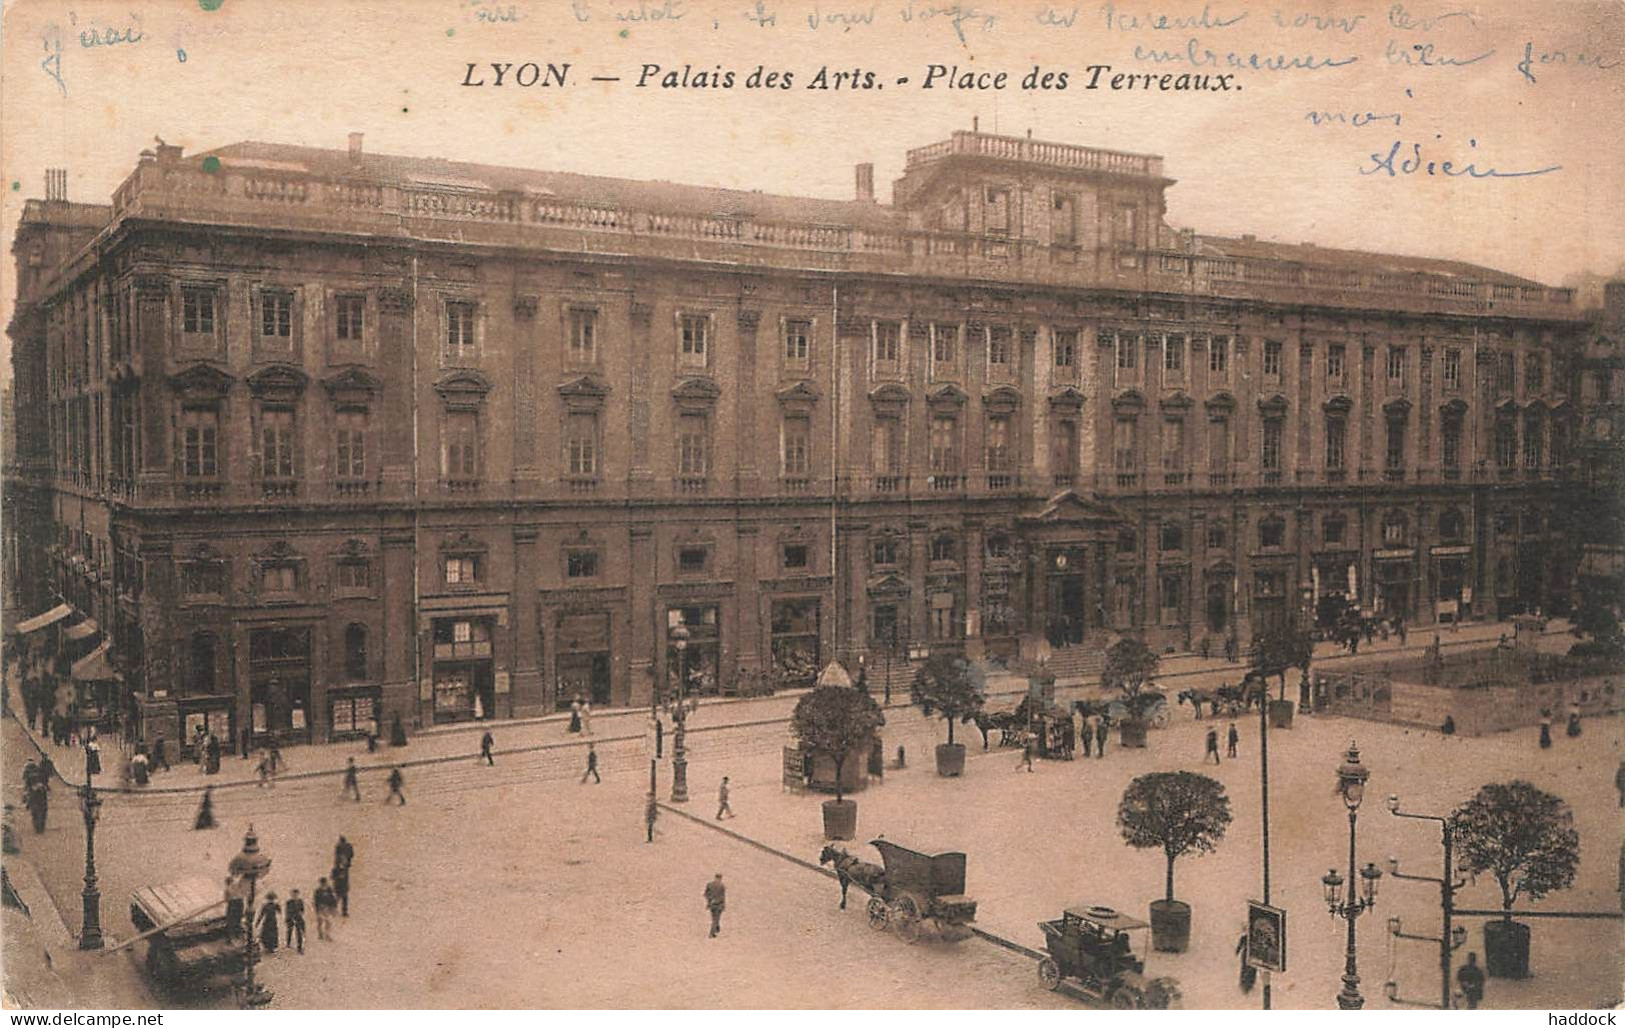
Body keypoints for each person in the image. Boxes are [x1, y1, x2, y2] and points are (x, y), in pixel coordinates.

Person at [224, 875, 249, 940]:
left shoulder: (227, 888)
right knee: (238, 917)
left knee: (231, 919)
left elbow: (226, 899)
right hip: (240, 902)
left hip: (232, 903)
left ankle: (231, 935)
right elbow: (243, 893)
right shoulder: (237, 886)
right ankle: (238, 933)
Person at [284, 888, 307, 954]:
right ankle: (288, 943)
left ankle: (299, 948)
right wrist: (288, 918)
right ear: (291, 895)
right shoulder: (289, 902)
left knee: (299, 932)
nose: (294, 896)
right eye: (293, 894)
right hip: (290, 918)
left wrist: (301, 913)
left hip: (298, 918)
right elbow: (287, 911)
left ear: (298, 894)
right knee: (289, 930)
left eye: (296, 894)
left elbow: (302, 909)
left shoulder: (300, 901)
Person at [704, 872, 726, 938]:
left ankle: (716, 928)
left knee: (714, 918)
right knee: (716, 919)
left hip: (711, 904)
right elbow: (722, 897)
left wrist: (709, 901)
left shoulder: (709, 884)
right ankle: (712, 932)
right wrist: (723, 905)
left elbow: (706, 894)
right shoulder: (722, 886)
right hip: (718, 905)